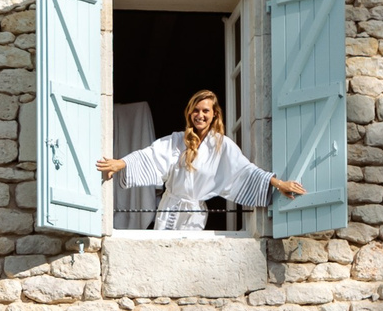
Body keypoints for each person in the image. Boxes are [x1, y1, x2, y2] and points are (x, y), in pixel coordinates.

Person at [96, 90, 304, 229]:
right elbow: (152, 154)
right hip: (169, 209)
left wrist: (279, 184)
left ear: (214, 115)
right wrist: (122, 163)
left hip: (194, 215)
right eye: (195, 110)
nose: (200, 115)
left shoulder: (222, 146)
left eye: (205, 110)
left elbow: (245, 171)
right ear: (189, 113)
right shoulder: (178, 140)